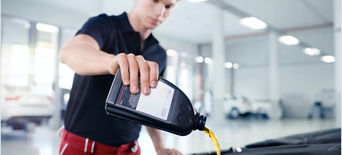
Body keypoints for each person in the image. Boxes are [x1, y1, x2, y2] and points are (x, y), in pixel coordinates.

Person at [59, 0, 182, 154]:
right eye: (155, 0)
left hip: (130, 148)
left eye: (168, 6)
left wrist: (160, 147)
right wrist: (112, 62)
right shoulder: (104, 25)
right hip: (84, 146)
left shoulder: (159, 54)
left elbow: (151, 108)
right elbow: (70, 52)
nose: (160, 11)